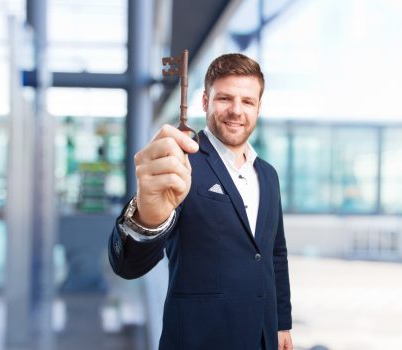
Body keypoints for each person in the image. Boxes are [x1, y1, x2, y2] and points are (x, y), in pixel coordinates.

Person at [108, 53, 293, 350]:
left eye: (247, 101)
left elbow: (275, 254)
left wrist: (281, 323)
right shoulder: (182, 161)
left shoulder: (268, 175)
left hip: (262, 336)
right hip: (200, 338)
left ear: (258, 107)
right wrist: (147, 217)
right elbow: (128, 264)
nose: (236, 110)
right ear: (205, 101)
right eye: (224, 99)